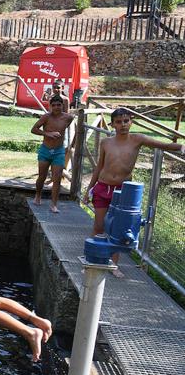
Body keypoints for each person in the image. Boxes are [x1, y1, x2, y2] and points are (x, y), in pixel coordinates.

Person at [82, 107, 185, 276]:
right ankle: (91, 259)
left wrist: (181, 147)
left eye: (126, 121)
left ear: (131, 122)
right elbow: (99, 166)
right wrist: (89, 190)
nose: (123, 125)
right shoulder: (106, 142)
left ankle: (113, 265)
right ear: (112, 124)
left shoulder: (137, 139)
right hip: (103, 186)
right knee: (99, 226)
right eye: (118, 122)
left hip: (123, 191)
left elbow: (163, 144)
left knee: (117, 229)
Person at [31, 96, 75, 213]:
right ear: (51, 106)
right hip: (45, 150)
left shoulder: (68, 118)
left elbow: (66, 128)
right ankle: (38, 195)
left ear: (62, 106)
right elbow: (34, 129)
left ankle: (54, 204)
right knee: (42, 177)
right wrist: (47, 134)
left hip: (59, 151)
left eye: (58, 105)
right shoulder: (46, 117)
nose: (56, 107)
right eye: (54, 105)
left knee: (57, 179)